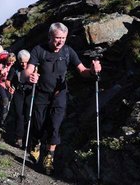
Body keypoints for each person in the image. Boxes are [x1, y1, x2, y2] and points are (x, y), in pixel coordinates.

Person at [23, 22, 102, 175]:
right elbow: (27, 71)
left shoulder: (68, 51)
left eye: (63, 38)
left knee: (55, 126)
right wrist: (30, 77)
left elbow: (82, 70)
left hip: (60, 95)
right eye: (57, 38)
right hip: (41, 94)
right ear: (49, 36)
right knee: (38, 125)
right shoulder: (39, 50)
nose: (60, 41)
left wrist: (92, 71)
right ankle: (36, 143)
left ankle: (49, 158)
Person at [5, 49, 32, 148]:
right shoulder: (14, 68)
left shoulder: (33, 67)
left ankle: (30, 140)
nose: (24, 64)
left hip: (30, 93)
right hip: (18, 92)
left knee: (29, 114)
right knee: (19, 114)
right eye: (22, 62)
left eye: (26, 62)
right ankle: (19, 138)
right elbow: (8, 81)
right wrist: (9, 87)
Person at [0, 52, 16, 127]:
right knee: (5, 100)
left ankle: (3, 118)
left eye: (13, 61)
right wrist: (1, 73)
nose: (11, 62)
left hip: (10, 86)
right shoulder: (2, 65)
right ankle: (2, 121)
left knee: (8, 102)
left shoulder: (14, 67)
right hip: (2, 84)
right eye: (10, 60)